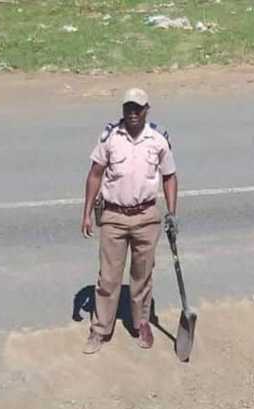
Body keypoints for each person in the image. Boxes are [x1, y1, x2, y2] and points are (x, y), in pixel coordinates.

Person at [80, 88, 178, 354]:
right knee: (108, 278)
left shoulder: (158, 138)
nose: (133, 113)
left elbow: (169, 176)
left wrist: (171, 213)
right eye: (128, 108)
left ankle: (141, 322)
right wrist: (87, 212)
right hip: (113, 216)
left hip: (147, 216)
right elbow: (95, 174)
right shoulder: (110, 136)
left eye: (138, 108)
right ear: (123, 110)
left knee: (142, 276)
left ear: (147, 110)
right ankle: (100, 330)